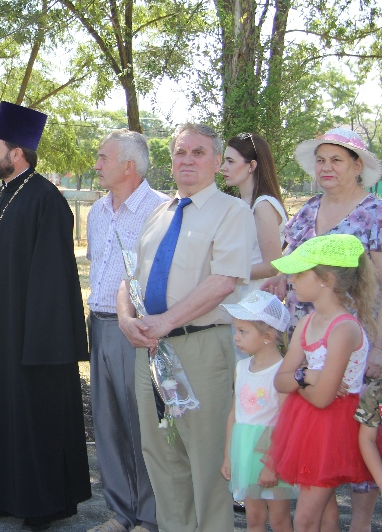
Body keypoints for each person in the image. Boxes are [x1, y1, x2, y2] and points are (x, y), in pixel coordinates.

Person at [117, 122, 257, 532]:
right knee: (161, 455)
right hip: (151, 352)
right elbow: (132, 277)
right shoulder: (158, 213)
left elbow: (225, 280)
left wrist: (164, 322)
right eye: (180, 152)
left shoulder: (233, 213)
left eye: (198, 152)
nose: (187, 160)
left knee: (207, 459)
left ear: (217, 161)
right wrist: (127, 320)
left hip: (201, 348)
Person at [0, 101, 90, 531]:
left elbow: (54, 279)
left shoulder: (46, 199)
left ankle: (42, 503)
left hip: (31, 336)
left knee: (33, 416)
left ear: (17, 152)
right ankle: (0, 493)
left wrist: (38, 338)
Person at [260, 128, 382, 529]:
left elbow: (378, 283)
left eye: (337, 160)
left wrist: (379, 347)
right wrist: (279, 280)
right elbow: (288, 261)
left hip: (355, 336)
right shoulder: (308, 209)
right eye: (321, 159)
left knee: (355, 433)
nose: (326, 167)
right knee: (318, 451)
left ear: (357, 166)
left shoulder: (374, 213)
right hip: (307, 329)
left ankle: (361, 524)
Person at [86, 130, 167, 532]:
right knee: (107, 422)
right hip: (97, 325)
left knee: (143, 425)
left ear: (128, 166)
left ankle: (150, 518)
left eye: (103, 158)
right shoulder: (97, 211)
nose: (96, 165)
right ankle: (120, 513)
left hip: (137, 331)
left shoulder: (161, 210)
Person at [269, 234, 377, 531]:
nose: (291, 279)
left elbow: (323, 399)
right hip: (308, 424)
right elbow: (280, 380)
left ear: (326, 280)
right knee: (325, 514)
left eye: (300, 273)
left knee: (304, 519)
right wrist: (307, 376)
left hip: (333, 426)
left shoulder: (343, 329)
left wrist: (300, 377)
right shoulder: (307, 323)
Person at [220, 290, 296, 532]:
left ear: (267, 335)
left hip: (269, 450)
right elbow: (234, 414)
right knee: (253, 517)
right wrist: (228, 456)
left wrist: (272, 463)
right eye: (236, 330)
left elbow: (286, 420)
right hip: (243, 451)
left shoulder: (282, 372)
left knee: (279, 518)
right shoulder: (241, 367)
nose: (235, 337)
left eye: (243, 331)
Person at [220, 132, 287, 290]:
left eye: (230, 161)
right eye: (224, 160)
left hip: (252, 298)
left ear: (251, 166)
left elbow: (272, 266)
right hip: (234, 296)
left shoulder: (263, 205)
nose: (223, 167)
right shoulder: (240, 203)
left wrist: (223, 275)